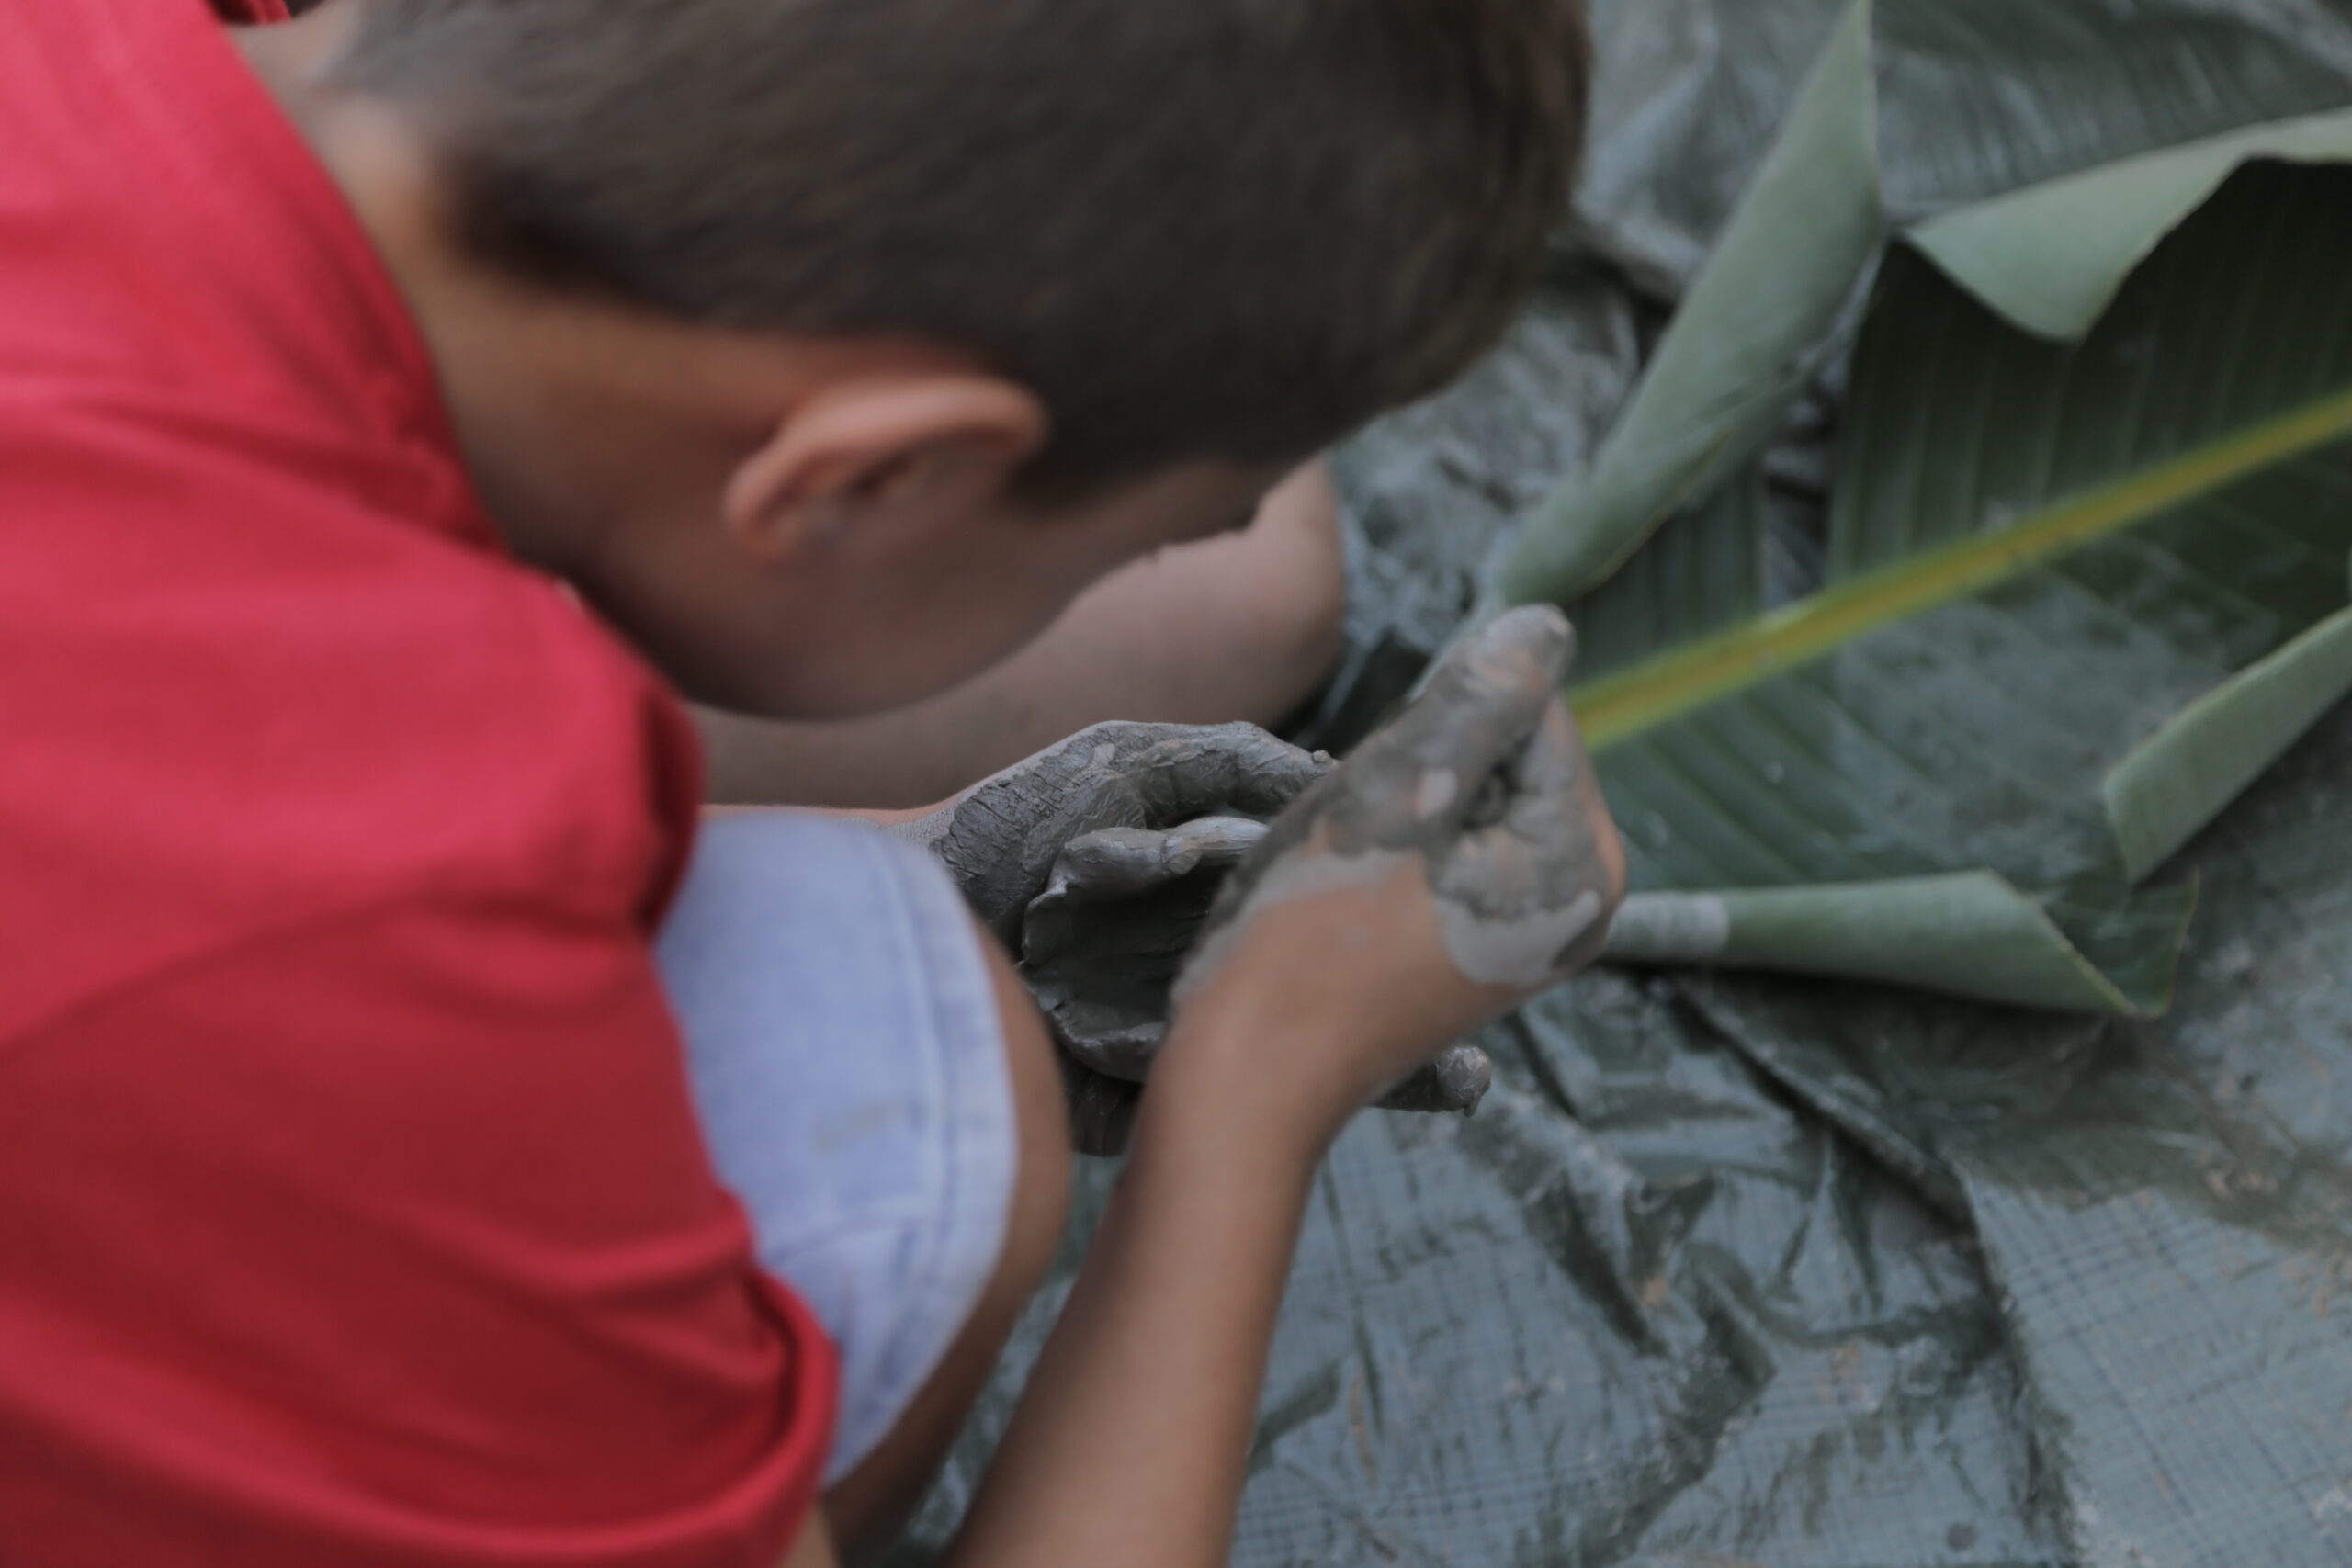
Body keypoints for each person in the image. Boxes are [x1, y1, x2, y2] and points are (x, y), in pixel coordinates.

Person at [0, 4, 1613, 1568]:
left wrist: (929, 846)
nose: (1119, 582)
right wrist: (1262, 1079)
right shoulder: (406, 853)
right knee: (908, 1072)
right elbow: (296, 894)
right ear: (870, 474)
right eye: (1120, 545)